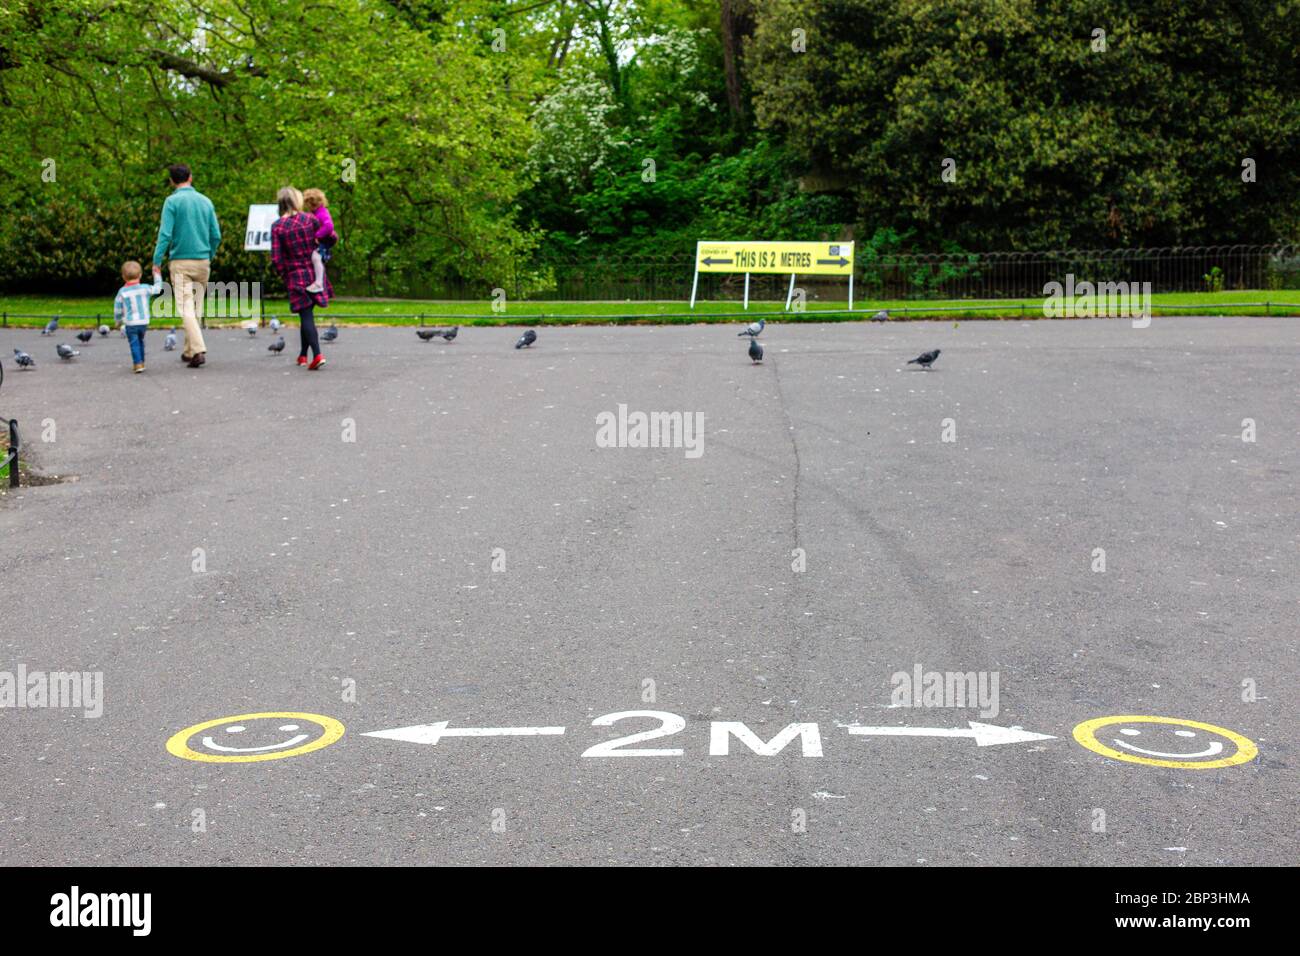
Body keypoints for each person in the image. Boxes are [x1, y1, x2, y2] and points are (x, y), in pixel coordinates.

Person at [152, 163, 221, 368]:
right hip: (202, 261)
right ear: (190, 177)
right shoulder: (206, 202)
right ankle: (189, 350)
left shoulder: (172, 202)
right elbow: (215, 235)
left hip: (180, 261)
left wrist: (157, 260)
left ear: (172, 181)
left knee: (186, 308)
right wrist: (210, 254)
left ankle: (198, 349)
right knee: (197, 307)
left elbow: (165, 234)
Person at [270, 186, 332, 369]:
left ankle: (317, 354)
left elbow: (276, 258)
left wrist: (284, 273)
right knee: (307, 315)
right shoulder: (310, 219)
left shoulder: (278, 227)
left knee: (305, 316)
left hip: (295, 275)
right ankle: (303, 355)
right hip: (314, 273)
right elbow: (329, 237)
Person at [114, 261, 161, 373]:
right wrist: (157, 275)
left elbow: (118, 308)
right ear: (140, 275)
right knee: (140, 340)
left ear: (123, 277)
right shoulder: (145, 288)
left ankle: (138, 363)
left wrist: (118, 320)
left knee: (134, 342)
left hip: (131, 323)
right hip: (143, 321)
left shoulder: (122, 291)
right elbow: (158, 288)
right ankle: (142, 361)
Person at [301, 188, 338, 294]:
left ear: (312, 203)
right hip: (324, 239)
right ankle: (318, 281)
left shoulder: (321, 212)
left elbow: (329, 226)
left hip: (327, 239)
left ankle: (319, 283)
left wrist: (317, 236)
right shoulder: (317, 212)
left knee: (316, 257)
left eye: (307, 204)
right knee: (315, 258)